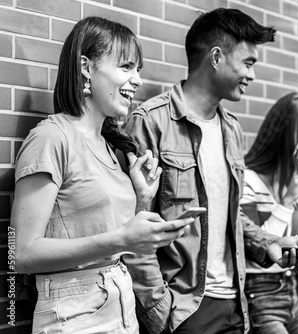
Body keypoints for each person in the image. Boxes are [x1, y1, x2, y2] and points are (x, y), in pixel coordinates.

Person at [122, 8, 298, 334]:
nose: (252, 76)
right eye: (248, 63)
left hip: (234, 305)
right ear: (216, 57)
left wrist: (266, 243)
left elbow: (229, 215)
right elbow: (130, 225)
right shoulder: (150, 122)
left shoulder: (232, 129)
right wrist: (159, 311)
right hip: (184, 310)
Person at [11, 17, 192, 334]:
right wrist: (121, 239)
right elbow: (20, 254)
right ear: (85, 67)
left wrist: (143, 200)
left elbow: (111, 241)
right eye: (126, 67)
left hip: (120, 304)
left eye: (138, 70)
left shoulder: (113, 148)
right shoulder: (52, 138)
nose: (136, 80)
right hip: (74, 314)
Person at [241, 92, 298, 334]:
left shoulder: (289, 181)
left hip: (290, 292)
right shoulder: (248, 180)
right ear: (293, 140)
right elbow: (260, 247)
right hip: (259, 294)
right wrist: (288, 201)